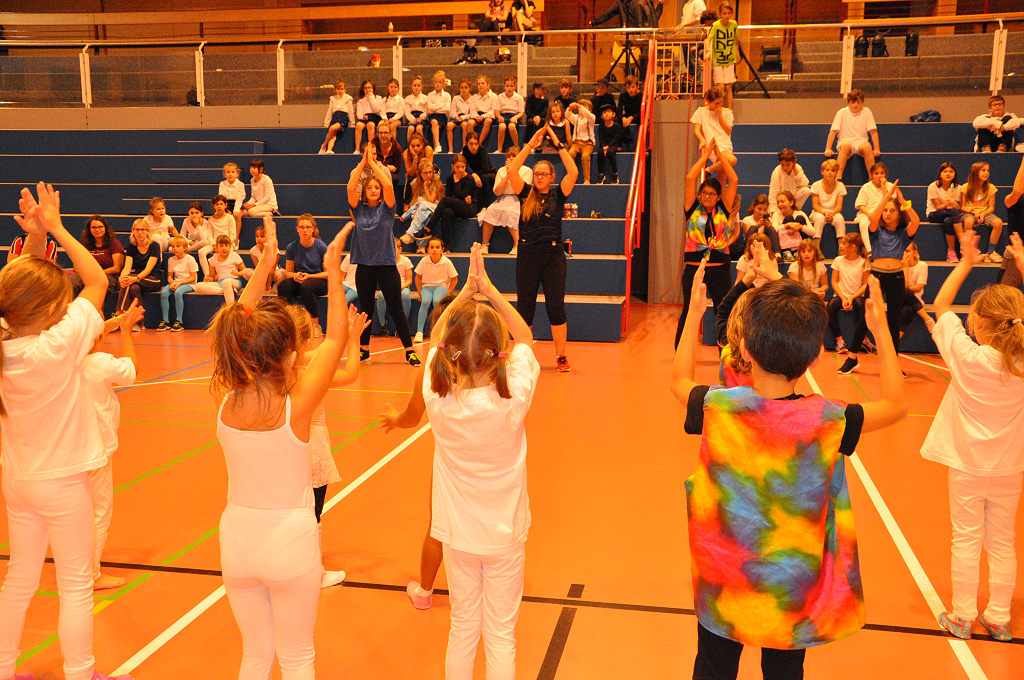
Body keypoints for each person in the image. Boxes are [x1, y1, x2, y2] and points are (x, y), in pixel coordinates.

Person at [672, 261, 907, 680]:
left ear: (744, 350)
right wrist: (881, 330)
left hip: (724, 581)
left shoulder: (717, 406)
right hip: (791, 586)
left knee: (713, 666)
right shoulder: (830, 419)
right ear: (815, 357)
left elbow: (678, 379)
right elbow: (895, 405)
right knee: (784, 670)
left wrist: (693, 315)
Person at [0, 181, 135, 680]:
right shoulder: (57, 346)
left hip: (19, 481)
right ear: (51, 311)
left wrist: (36, 241)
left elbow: (17, 292)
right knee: (75, 584)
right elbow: (97, 280)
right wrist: (56, 228)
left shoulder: (7, 340)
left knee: (19, 579)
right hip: (63, 484)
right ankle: (81, 672)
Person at [208, 218, 346, 679]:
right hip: (289, 543)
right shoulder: (295, 406)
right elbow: (337, 339)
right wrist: (334, 273)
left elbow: (234, 329)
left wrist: (264, 267)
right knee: (297, 657)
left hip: (236, 542)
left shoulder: (226, 399)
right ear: (290, 356)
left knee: (254, 654)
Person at [423, 245, 539, 680]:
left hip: (459, 537)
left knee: (463, 627)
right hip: (504, 536)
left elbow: (433, 343)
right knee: (501, 634)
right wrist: (488, 290)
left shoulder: (438, 399)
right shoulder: (512, 399)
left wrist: (462, 297)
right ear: (497, 352)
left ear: (453, 354)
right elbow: (526, 339)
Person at [925, 229, 1024, 643]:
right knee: (1003, 541)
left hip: (967, 467)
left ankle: (962, 615)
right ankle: (999, 618)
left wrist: (965, 261)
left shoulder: (968, 358)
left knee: (965, 538)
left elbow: (941, 304)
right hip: (1009, 469)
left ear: (979, 322)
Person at [378, 294, 459, 610]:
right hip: (490, 469)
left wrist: (394, 419)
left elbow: (411, 418)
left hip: (450, 468)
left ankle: (425, 592)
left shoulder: (430, 371)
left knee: (438, 528)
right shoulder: (490, 369)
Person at [284, 300, 367, 589]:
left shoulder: (278, 369)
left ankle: (286, 562)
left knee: (288, 508)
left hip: (283, 448)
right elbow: (351, 372)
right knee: (313, 513)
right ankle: (313, 571)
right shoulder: (312, 372)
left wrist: (343, 338)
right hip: (313, 448)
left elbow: (322, 350)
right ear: (308, 337)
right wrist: (353, 339)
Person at [508, 127, 579, 372]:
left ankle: (561, 356)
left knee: (555, 307)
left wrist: (558, 144)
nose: (539, 177)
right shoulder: (524, 192)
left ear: (551, 177)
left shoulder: (559, 194)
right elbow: (512, 170)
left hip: (553, 257)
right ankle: (523, 358)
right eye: (536, 174)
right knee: (524, 308)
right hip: (527, 255)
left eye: (543, 174)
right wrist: (530, 144)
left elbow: (574, 171)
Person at [84, 302, 143, 591]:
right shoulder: (100, 363)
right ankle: (90, 575)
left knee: (74, 511)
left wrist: (111, 324)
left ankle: (76, 567)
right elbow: (131, 371)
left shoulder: (62, 358)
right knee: (99, 513)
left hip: (68, 450)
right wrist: (127, 332)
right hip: (96, 451)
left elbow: (88, 335)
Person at [347, 144, 421, 366]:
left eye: (376, 188)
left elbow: (388, 184)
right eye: (369, 187)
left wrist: (373, 165)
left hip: (387, 266)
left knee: (396, 308)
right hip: (364, 267)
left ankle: (409, 350)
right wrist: (363, 163)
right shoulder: (358, 209)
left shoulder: (387, 209)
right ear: (364, 191)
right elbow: (350, 187)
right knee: (366, 310)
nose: (373, 190)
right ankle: (364, 350)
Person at [673, 138, 739, 349]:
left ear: (718, 196)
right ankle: (680, 352)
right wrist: (705, 156)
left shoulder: (724, 209)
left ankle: (725, 353)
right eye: (704, 193)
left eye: (711, 194)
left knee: (723, 310)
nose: (707, 196)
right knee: (689, 311)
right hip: (694, 270)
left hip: (720, 269)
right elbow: (690, 177)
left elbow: (733, 179)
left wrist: (720, 157)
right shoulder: (692, 208)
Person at [866, 179, 919, 358]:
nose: (888, 213)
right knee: (867, 315)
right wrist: (887, 196)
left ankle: (893, 358)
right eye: (886, 210)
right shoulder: (877, 230)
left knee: (894, 319)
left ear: (899, 214)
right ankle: (853, 356)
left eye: (892, 210)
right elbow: (874, 218)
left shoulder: (903, 234)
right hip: (877, 275)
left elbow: (916, 222)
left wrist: (903, 202)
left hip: (896, 276)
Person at [414, 154, 479, 250]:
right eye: (457, 167)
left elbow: (461, 195)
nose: (460, 169)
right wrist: (455, 185)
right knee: (446, 212)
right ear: (452, 166)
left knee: (444, 200)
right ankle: (446, 247)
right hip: (456, 207)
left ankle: (427, 229)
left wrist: (457, 182)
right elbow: (449, 195)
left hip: (468, 208)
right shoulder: (450, 179)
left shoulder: (469, 179)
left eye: (463, 167)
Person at [277, 215, 329, 333]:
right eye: (302, 227)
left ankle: (315, 325)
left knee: (307, 287)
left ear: (313, 229)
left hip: (318, 281)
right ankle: (286, 322)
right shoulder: (292, 247)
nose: (305, 230)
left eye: (308, 227)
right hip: (300, 279)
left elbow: (327, 273)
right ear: (297, 229)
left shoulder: (321, 246)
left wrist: (310, 276)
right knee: (283, 286)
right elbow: (288, 273)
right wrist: (295, 276)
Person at [830, 233, 871, 373]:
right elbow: (834, 281)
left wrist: (852, 297)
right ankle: (840, 341)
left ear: (853, 247)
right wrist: (843, 298)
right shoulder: (838, 260)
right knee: (830, 307)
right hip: (841, 295)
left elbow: (865, 284)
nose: (841, 246)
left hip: (856, 296)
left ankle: (864, 339)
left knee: (862, 307)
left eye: (843, 244)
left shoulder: (863, 262)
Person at [481, 146, 533, 254]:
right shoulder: (501, 170)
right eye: (509, 156)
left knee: (510, 212)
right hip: (504, 198)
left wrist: (513, 172)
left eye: (514, 156)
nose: (511, 158)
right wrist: (508, 174)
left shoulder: (527, 170)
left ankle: (517, 244)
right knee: (489, 212)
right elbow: (497, 191)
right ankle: (485, 244)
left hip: (519, 199)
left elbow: (521, 189)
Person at [824, 89, 880, 181]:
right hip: (844, 141)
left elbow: (873, 131)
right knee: (846, 146)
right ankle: (838, 177)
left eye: (858, 102)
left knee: (867, 147)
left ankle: (872, 178)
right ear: (848, 102)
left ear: (862, 102)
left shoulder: (866, 112)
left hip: (861, 141)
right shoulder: (842, 112)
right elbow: (833, 132)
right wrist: (828, 148)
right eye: (853, 102)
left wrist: (877, 149)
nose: (855, 105)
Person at [117, 219, 162, 330]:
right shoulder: (131, 247)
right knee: (133, 287)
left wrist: (135, 278)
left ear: (147, 231)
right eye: (137, 230)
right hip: (137, 280)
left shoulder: (154, 246)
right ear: (133, 231)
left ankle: (119, 315)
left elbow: (148, 269)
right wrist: (122, 278)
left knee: (130, 282)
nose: (140, 232)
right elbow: (127, 268)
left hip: (153, 279)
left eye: (143, 230)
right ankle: (139, 323)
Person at [414, 236, 459, 342]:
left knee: (437, 301)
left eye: (437, 247)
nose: (434, 249)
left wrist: (448, 292)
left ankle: (439, 331)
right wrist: (420, 292)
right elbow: (417, 277)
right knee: (425, 302)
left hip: (442, 286)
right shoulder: (424, 261)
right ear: (427, 249)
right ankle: (419, 332)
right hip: (427, 287)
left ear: (442, 249)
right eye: (432, 247)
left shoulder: (447, 262)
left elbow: (454, 279)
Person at [69, 215, 124, 296]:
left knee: (96, 285)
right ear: (89, 229)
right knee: (69, 282)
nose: (97, 230)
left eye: (100, 227)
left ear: (105, 228)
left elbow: (116, 268)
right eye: (94, 227)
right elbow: (76, 267)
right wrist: (87, 275)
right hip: (87, 275)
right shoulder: (85, 244)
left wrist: (96, 274)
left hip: (107, 276)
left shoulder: (114, 244)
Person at [960, 161, 1004, 263]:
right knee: (968, 222)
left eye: (988, 171)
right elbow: (962, 207)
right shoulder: (965, 187)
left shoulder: (991, 188)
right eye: (983, 170)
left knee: (998, 223)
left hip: (985, 213)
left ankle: (991, 253)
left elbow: (991, 208)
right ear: (975, 172)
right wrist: (974, 212)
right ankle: (967, 252)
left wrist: (983, 214)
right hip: (970, 212)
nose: (986, 173)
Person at [400, 159, 444, 252]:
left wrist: (425, 187)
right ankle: (421, 247)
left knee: (423, 204)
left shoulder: (436, 183)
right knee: (424, 214)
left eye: (430, 172)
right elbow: (414, 199)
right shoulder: (415, 183)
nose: (428, 175)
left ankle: (410, 234)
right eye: (425, 173)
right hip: (424, 211)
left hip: (435, 208)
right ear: (420, 174)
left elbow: (430, 201)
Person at [690, 86, 735, 176]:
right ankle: (709, 170)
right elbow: (697, 130)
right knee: (732, 160)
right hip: (712, 146)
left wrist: (720, 116)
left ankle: (710, 171)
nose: (719, 105)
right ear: (708, 101)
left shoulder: (727, 112)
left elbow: (728, 131)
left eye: (721, 102)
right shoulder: (701, 111)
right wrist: (702, 140)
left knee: (722, 175)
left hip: (726, 145)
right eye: (716, 103)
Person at [853, 162, 897, 256]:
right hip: (869, 213)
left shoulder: (890, 186)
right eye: (876, 173)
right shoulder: (866, 187)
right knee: (864, 222)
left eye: (882, 173)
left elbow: (892, 203)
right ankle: (869, 250)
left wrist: (884, 187)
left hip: (885, 212)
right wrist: (870, 214)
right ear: (872, 175)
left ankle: (889, 250)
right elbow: (861, 205)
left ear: (885, 174)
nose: (879, 176)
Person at [158, 236, 199, 331]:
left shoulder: (190, 259)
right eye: (173, 246)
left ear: (185, 248)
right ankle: (165, 320)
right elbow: (169, 276)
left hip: (189, 283)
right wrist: (172, 283)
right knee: (164, 293)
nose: (175, 248)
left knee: (178, 292)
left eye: (178, 246)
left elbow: (193, 277)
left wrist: (180, 283)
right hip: (176, 282)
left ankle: (179, 321)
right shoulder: (171, 259)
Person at [926, 162, 964, 263]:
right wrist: (945, 204)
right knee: (952, 212)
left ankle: (951, 252)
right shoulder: (933, 186)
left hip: (950, 214)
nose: (948, 174)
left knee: (948, 221)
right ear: (940, 174)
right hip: (934, 214)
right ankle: (963, 243)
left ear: (955, 174)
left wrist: (956, 205)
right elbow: (938, 207)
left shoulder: (958, 187)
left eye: (951, 171)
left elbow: (959, 207)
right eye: (945, 171)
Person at [376, 238, 414, 336]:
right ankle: (382, 324)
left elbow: (409, 280)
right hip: (389, 286)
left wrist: (400, 287)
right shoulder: (384, 261)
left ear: (400, 249)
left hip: (403, 286)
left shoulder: (406, 261)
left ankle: (403, 325)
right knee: (381, 295)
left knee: (405, 295)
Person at [195, 234, 247, 305]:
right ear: (216, 247)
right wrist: (208, 279)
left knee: (226, 282)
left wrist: (238, 273)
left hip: (234, 281)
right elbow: (212, 277)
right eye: (221, 246)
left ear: (230, 247)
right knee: (198, 286)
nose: (224, 248)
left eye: (226, 245)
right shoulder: (213, 258)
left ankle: (230, 307)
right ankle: (223, 290)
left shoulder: (234, 255)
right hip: (220, 283)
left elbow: (245, 271)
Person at [900, 242, 935, 334]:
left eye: (907, 251)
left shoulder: (922, 265)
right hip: (899, 299)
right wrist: (905, 268)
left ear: (915, 252)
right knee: (904, 290)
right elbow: (901, 288)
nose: (904, 254)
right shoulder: (897, 265)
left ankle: (895, 341)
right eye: (902, 251)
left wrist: (905, 288)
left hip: (915, 300)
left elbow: (919, 287)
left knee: (907, 310)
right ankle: (927, 318)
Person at [809, 158, 847, 243]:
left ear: (836, 173)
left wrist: (832, 213)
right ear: (822, 172)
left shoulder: (840, 185)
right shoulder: (816, 185)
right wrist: (824, 213)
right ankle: (816, 246)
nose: (830, 172)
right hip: (819, 212)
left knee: (840, 219)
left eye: (833, 170)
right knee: (820, 219)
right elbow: (815, 206)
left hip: (833, 212)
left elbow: (839, 206)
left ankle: (841, 246)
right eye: (827, 170)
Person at [708, 2, 738, 108]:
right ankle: (718, 108)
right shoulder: (716, 25)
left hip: (729, 58)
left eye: (729, 13)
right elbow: (708, 39)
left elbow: (736, 40)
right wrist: (707, 51)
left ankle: (729, 110)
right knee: (720, 86)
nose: (727, 16)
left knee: (728, 86)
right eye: (724, 13)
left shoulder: (734, 24)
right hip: (718, 59)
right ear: (720, 14)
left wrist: (737, 54)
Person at [200, 195, 237, 275]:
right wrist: (214, 245)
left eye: (221, 204)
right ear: (213, 206)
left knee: (224, 252)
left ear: (225, 205)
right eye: (217, 204)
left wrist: (223, 245)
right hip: (215, 244)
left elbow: (233, 235)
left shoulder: (230, 218)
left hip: (227, 244)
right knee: (201, 252)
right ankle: (208, 275)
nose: (219, 206)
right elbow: (209, 234)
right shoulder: (211, 219)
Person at [772, 190, 813, 262]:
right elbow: (774, 230)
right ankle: (786, 252)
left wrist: (800, 227)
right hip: (784, 245)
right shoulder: (776, 214)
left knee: (800, 218)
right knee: (788, 219)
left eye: (782, 201)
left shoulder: (800, 213)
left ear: (791, 202)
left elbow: (812, 232)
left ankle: (799, 251)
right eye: (778, 202)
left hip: (798, 244)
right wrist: (787, 225)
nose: (780, 204)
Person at [768, 148, 811, 217]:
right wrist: (773, 212)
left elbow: (805, 183)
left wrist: (796, 171)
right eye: (782, 165)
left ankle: (794, 211)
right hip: (781, 202)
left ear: (794, 163)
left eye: (788, 165)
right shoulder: (777, 172)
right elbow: (773, 193)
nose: (785, 168)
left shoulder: (797, 168)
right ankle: (782, 212)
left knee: (806, 191)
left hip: (792, 201)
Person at [318, 77, 355, 155]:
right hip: (335, 117)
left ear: (345, 90)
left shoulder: (348, 98)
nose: (340, 91)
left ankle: (324, 145)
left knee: (332, 128)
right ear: (335, 90)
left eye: (342, 89)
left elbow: (351, 111)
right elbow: (329, 111)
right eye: (338, 89)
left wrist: (353, 123)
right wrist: (326, 123)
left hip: (343, 118)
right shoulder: (332, 98)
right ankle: (329, 149)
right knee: (333, 135)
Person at [565, 100, 596, 184]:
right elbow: (567, 115)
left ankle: (587, 179)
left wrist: (579, 106)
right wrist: (570, 108)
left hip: (588, 143)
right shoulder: (576, 118)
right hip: (576, 143)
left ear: (590, 110)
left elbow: (587, 114)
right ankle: (572, 176)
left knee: (585, 156)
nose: (582, 109)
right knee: (570, 154)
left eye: (585, 107)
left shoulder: (591, 117)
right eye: (581, 107)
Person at [462, 131, 497, 205]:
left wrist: (475, 175)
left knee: (484, 178)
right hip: (478, 174)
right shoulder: (465, 150)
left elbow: (486, 169)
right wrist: (473, 175)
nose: (474, 146)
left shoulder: (482, 150)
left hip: (490, 173)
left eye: (476, 144)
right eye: (471, 144)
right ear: (467, 143)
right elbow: (464, 167)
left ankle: (485, 205)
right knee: (466, 177)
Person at [402, 132, 435, 207]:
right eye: (413, 146)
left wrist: (416, 172)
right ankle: (406, 206)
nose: (415, 148)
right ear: (409, 146)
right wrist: (415, 158)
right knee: (410, 179)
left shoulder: (428, 149)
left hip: (429, 171)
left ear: (422, 145)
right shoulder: (406, 153)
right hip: (417, 173)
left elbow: (427, 169)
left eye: (418, 146)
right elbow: (411, 173)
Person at [496, 75, 525, 152]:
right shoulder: (500, 96)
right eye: (507, 86)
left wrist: (516, 117)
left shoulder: (518, 97)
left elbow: (521, 112)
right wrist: (499, 116)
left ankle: (516, 147)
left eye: (511, 86)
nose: (509, 88)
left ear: (515, 87)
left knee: (511, 126)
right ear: (504, 87)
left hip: (514, 116)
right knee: (502, 127)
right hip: (503, 115)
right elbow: (497, 110)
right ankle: (499, 149)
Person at [353, 79, 382, 155]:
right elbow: (359, 114)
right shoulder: (361, 101)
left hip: (374, 117)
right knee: (358, 125)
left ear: (373, 88)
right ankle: (357, 149)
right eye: (365, 88)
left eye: (369, 87)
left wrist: (371, 97)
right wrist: (362, 117)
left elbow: (376, 110)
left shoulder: (378, 98)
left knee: (370, 125)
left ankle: (371, 148)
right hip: (365, 118)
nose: (367, 90)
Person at [468, 75, 498, 149]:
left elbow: (493, 111)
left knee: (488, 121)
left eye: (483, 83)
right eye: (478, 84)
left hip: (488, 116)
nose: (480, 85)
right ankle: (472, 142)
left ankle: (478, 143)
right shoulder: (474, 97)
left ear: (488, 85)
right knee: (470, 123)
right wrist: (477, 116)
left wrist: (483, 116)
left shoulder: (494, 96)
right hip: (477, 116)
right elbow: (472, 110)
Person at [219, 162, 247, 238]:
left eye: (233, 172)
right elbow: (222, 198)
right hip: (226, 204)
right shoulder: (222, 184)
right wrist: (225, 209)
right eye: (228, 172)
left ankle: (236, 238)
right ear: (224, 174)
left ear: (237, 174)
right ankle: (225, 236)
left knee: (237, 216)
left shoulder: (240, 184)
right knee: (225, 215)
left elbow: (240, 198)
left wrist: (236, 209)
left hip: (237, 204)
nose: (230, 174)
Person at [597, 107, 624, 184]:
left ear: (613, 114)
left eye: (609, 112)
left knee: (610, 152)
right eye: (604, 112)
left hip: (613, 145)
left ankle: (615, 174)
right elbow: (601, 138)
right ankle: (601, 175)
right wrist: (603, 146)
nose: (607, 114)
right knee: (600, 152)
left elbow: (616, 138)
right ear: (602, 116)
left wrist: (608, 146)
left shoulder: (617, 126)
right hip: (604, 145)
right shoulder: (601, 126)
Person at [426, 71, 452, 153]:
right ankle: (437, 144)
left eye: (440, 82)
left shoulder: (447, 95)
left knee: (435, 124)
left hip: (442, 116)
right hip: (432, 116)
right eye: (436, 82)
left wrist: (435, 106)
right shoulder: (430, 94)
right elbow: (429, 108)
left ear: (444, 84)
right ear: (433, 83)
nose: (438, 84)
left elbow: (447, 108)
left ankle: (436, 147)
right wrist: (441, 105)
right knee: (434, 122)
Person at [448, 78, 475, 153]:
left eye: (466, 88)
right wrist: (456, 117)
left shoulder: (472, 99)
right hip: (456, 117)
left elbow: (472, 113)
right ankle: (450, 148)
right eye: (461, 88)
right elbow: (452, 111)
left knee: (465, 125)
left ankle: (464, 147)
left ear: (470, 88)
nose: (464, 90)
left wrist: (463, 117)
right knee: (449, 125)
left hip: (466, 117)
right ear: (459, 88)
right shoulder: (456, 98)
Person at [404, 74, 429, 140]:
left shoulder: (425, 98)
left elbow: (427, 111)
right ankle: (409, 145)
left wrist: (421, 117)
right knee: (410, 128)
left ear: (421, 87)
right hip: (412, 117)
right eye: (414, 85)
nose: (416, 87)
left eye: (418, 85)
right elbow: (407, 112)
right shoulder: (408, 98)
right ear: (411, 86)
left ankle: (422, 145)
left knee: (419, 128)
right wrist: (412, 119)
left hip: (421, 117)